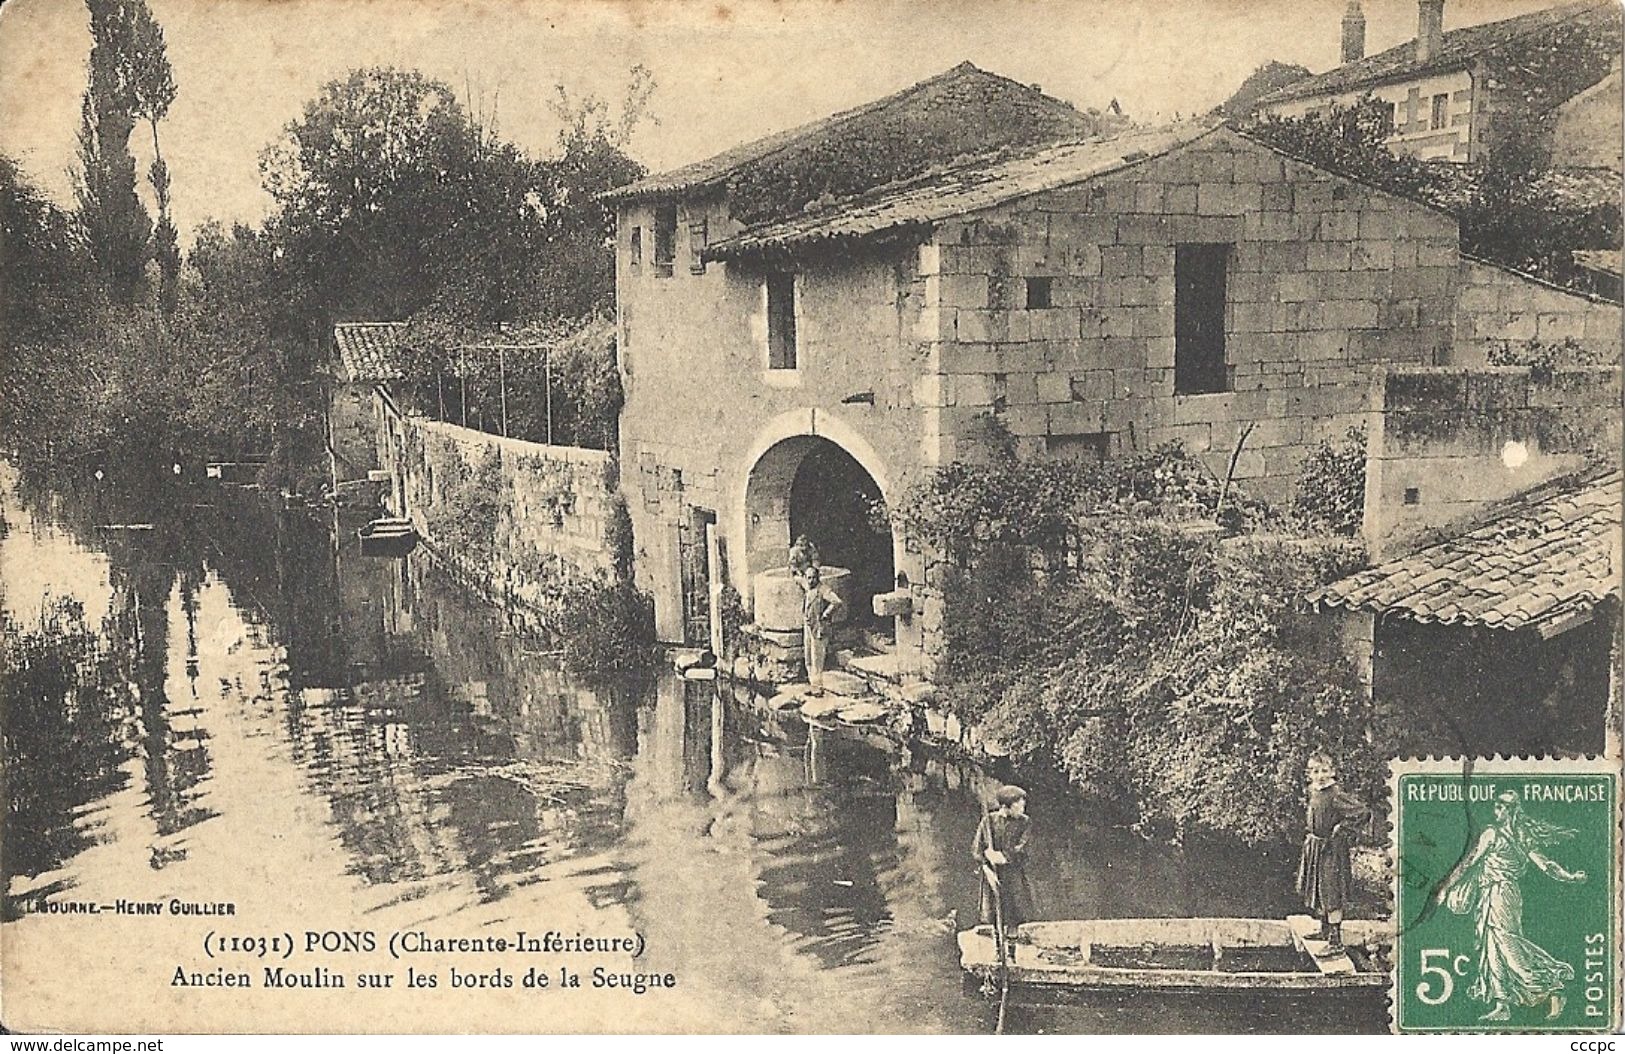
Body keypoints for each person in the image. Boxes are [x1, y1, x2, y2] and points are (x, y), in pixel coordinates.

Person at [1435, 789, 1586, 1022]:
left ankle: (1552, 986)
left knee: (1507, 944)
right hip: (1489, 893)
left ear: (1513, 810)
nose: (1499, 809)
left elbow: (1545, 864)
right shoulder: (1491, 833)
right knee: (1491, 947)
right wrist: (1446, 886)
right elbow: (1469, 862)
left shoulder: (1512, 836)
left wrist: (1569, 877)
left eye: (1504, 805)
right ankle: (1502, 1003)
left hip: (1503, 893)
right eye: (1497, 805)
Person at [1295, 753, 1370, 953]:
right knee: (1319, 889)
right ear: (1309, 774)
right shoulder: (1313, 791)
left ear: (1333, 772)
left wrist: (1342, 829)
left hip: (1331, 850)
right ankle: (1325, 930)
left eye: (1325, 771)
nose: (1321, 775)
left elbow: (1362, 812)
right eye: (1316, 771)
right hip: (1315, 848)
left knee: (1331, 891)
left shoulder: (1336, 794)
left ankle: (1336, 943)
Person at [975, 784, 1036, 946]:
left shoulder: (1024, 822)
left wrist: (1004, 857)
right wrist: (987, 857)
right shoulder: (989, 821)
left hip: (1013, 874)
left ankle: (1012, 951)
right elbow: (977, 848)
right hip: (993, 875)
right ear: (1006, 806)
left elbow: (1024, 848)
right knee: (995, 912)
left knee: (1015, 913)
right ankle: (998, 948)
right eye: (1019, 804)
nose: (1023, 807)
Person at [799, 564, 843, 692]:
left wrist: (826, 614)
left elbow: (837, 602)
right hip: (808, 626)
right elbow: (799, 580)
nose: (811, 580)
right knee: (807, 656)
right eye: (808, 578)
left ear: (818, 578)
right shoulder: (808, 588)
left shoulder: (823, 590)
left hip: (819, 628)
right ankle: (812, 683)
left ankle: (817, 687)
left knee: (817, 658)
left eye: (813, 578)